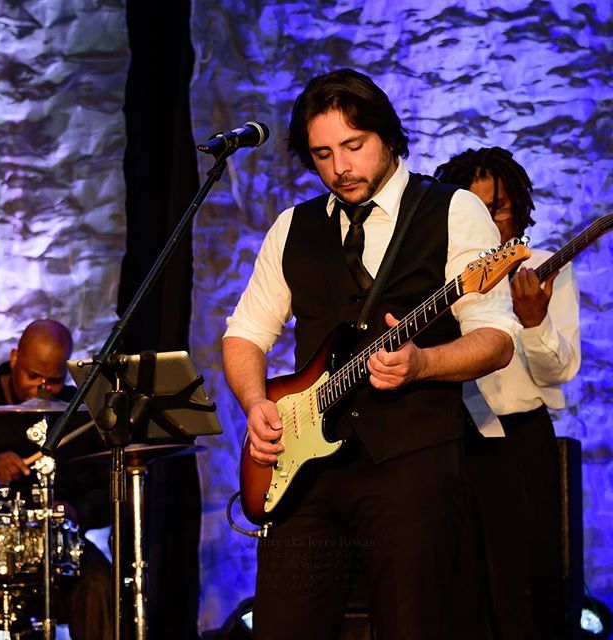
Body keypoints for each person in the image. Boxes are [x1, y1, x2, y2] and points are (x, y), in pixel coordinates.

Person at [222, 69, 522, 640]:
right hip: (303, 473)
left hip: (411, 465)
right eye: (323, 154)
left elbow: (497, 338)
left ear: (386, 135)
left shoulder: (452, 210)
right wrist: (256, 402)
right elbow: (245, 333)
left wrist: (423, 364)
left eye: (354, 146)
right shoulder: (293, 226)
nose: (340, 167)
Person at [435, 147, 581, 639]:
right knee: (454, 588)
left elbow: (558, 372)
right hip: (445, 443)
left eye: (496, 207)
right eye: (472, 209)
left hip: (519, 443)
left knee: (526, 589)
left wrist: (535, 323)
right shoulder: (437, 280)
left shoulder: (541, 268)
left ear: (517, 206)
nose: (488, 221)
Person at [0, 319, 113, 640]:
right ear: (13, 359)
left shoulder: (78, 414)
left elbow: (106, 490)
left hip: (54, 548)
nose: (41, 388)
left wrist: (76, 510)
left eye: (53, 380)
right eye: (32, 375)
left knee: (99, 583)